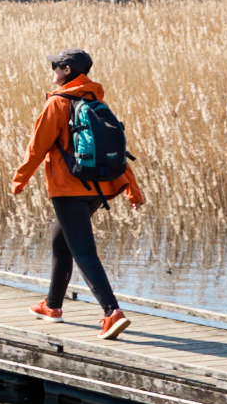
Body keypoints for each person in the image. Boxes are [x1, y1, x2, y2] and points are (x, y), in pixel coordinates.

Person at [10, 48, 143, 340]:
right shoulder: (96, 101)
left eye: (56, 66)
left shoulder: (57, 103)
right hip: (98, 188)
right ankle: (52, 306)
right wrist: (132, 190)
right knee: (61, 241)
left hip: (68, 189)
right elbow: (119, 151)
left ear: (67, 70)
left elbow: (37, 147)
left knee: (83, 250)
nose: (53, 70)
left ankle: (112, 313)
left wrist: (19, 180)